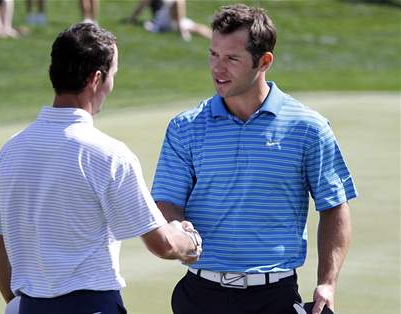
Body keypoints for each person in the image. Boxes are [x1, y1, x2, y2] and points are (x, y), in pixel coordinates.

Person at [151, 4, 357, 314]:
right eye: (213, 55)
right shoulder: (186, 127)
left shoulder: (308, 128)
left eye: (232, 59)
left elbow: (334, 207)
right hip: (199, 294)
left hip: (273, 297)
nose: (218, 69)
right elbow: (167, 201)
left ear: (264, 61)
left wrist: (327, 282)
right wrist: (178, 231)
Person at [0, 22, 202, 314]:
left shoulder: (9, 151)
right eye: (112, 75)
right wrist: (189, 240)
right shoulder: (109, 154)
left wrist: (14, 303)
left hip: (30, 306)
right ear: (96, 79)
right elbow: (163, 244)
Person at [127, 0, 211, 41]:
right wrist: (132, 19)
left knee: (199, 28)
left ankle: (219, 40)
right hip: (161, 18)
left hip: (175, 18)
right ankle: (182, 32)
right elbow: (142, 6)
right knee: (178, 2)